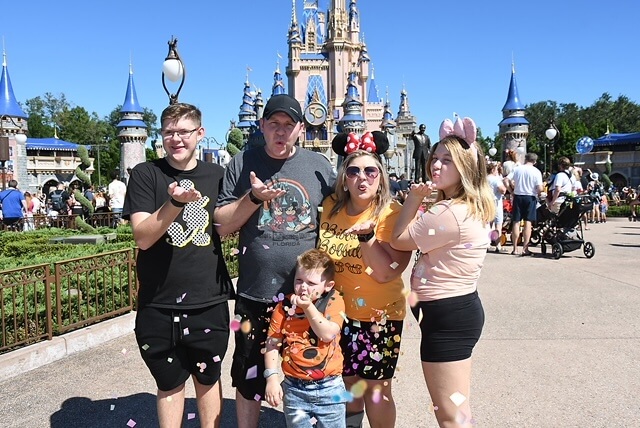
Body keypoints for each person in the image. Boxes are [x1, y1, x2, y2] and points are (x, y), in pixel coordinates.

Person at [214, 94, 335, 428]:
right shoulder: (242, 162)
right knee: (249, 374)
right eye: (274, 124)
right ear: (262, 125)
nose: (281, 132)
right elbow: (223, 224)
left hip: (307, 297)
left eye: (289, 125)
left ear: (300, 128)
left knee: (309, 372)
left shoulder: (319, 165)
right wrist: (254, 197)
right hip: (255, 294)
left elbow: (343, 212)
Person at [123, 103, 233, 427]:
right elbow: (143, 237)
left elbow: (230, 223)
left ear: (199, 133)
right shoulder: (146, 174)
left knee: (208, 379)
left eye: (184, 131)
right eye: (169, 131)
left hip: (207, 299)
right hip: (158, 301)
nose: (176, 139)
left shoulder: (218, 176)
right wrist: (174, 203)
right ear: (161, 135)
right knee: (169, 384)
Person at [390, 116, 494, 428]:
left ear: (465, 167)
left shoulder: (448, 213)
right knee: (456, 406)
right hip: (453, 313)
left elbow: (399, 239)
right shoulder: (466, 206)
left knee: (450, 414)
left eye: (446, 161)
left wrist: (414, 198)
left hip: (447, 319)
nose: (435, 165)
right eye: (435, 158)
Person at [318, 131, 412, 428]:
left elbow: (387, 272)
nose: (362, 178)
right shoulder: (330, 207)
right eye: (353, 170)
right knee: (347, 384)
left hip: (379, 317)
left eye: (371, 171)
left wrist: (367, 238)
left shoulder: (392, 213)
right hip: (339, 315)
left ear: (381, 177)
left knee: (376, 389)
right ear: (344, 177)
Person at [264, 248, 346, 427]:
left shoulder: (334, 300)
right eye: (299, 280)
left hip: (330, 387)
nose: (303, 287)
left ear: (328, 286)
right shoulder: (284, 306)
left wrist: (308, 308)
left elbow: (327, 334)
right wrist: (271, 378)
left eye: (311, 283)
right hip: (294, 388)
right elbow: (272, 343)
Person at [507, 153, 543, 256]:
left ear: (525, 159)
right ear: (535, 162)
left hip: (518, 196)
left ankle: (514, 248)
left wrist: (511, 191)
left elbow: (506, 179)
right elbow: (540, 188)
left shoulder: (517, 169)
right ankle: (525, 248)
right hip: (530, 197)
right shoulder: (536, 172)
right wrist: (539, 192)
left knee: (516, 222)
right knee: (528, 222)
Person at [487, 162, 507, 252]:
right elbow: (502, 190)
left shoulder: (484, 179)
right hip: (495, 202)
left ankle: (487, 243)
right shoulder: (496, 179)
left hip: (486, 202)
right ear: (493, 170)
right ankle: (498, 245)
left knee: (487, 224)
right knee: (498, 224)